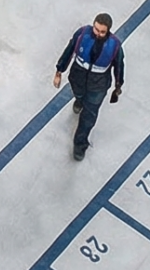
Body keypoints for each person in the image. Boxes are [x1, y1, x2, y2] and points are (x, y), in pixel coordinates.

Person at [51, 13, 125, 160]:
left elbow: (119, 66)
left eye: (102, 32)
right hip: (77, 77)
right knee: (78, 95)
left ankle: (80, 144)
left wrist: (118, 85)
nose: (98, 34)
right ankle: (79, 100)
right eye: (96, 29)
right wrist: (59, 70)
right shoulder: (82, 34)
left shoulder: (115, 46)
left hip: (98, 85)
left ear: (108, 31)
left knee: (89, 116)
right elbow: (69, 50)